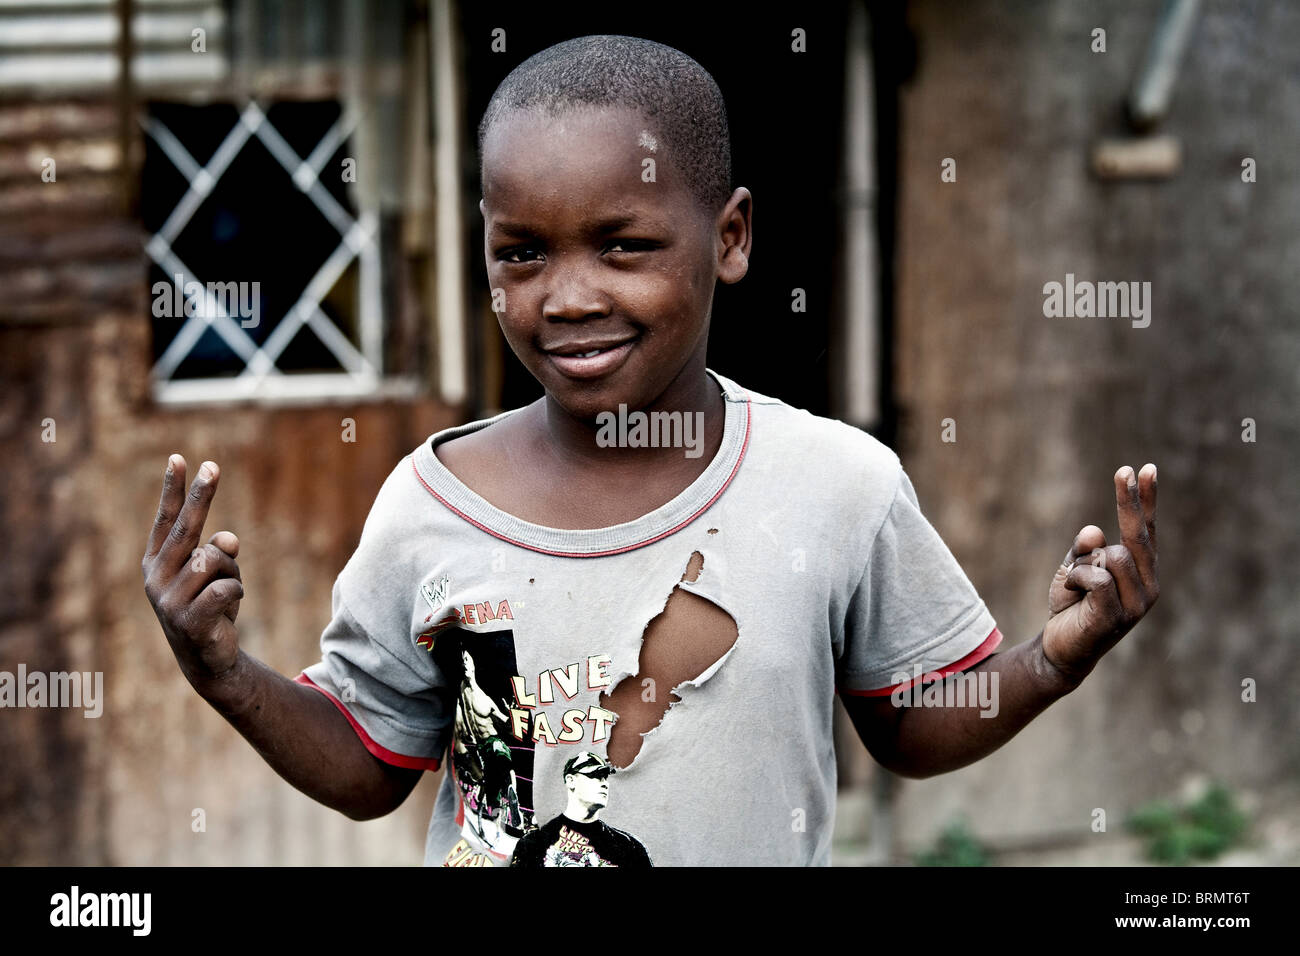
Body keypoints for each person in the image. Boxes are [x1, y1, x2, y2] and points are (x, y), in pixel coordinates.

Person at [141, 35, 1159, 866]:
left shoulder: (834, 484)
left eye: (623, 245)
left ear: (730, 237)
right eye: (522, 252)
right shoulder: (429, 504)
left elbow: (912, 722)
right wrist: (226, 671)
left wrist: (1048, 660)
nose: (570, 295)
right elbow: (369, 760)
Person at [510, 752, 651, 867]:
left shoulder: (629, 846)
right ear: (571, 780)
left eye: (604, 778)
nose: (605, 784)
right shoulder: (533, 844)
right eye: (595, 776)